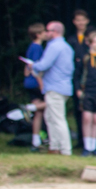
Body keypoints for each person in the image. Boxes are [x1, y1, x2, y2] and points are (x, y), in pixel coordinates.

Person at [30, 21, 74, 155]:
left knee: (58, 118)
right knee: (50, 117)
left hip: (55, 87)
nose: (46, 33)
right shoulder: (67, 47)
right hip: (63, 86)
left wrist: (33, 66)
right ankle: (54, 146)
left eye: (48, 30)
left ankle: (65, 150)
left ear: (55, 32)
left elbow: (44, 64)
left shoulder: (54, 46)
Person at [23, 22, 47, 152]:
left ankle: (35, 141)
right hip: (35, 83)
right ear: (38, 34)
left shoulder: (31, 47)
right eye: (44, 31)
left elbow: (27, 66)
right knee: (51, 103)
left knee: (39, 112)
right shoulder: (38, 48)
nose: (46, 33)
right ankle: (28, 108)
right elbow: (36, 68)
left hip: (28, 82)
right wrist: (42, 84)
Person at [70, 9, 91, 145]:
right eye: (78, 20)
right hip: (76, 77)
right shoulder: (71, 40)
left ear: (87, 21)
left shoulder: (92, 38)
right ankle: (81, 139)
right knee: (79, 109)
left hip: (90, 78)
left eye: (83, 19)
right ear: (74, 22)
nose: (80, 22)